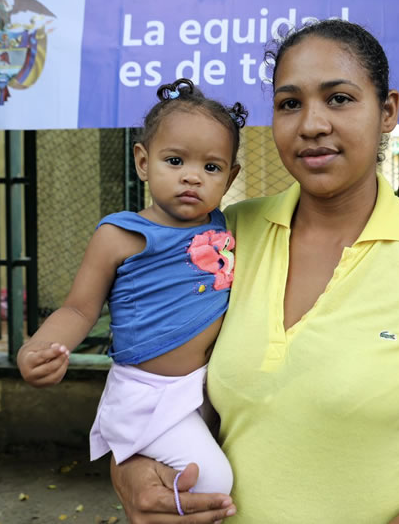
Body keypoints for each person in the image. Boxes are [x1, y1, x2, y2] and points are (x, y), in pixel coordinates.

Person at [110, 20, 399, 523]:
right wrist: (129, 469)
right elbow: (149, 385)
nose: (311, 124)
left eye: (339, 99)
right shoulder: (220, 239)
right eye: (289, 104)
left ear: (387, 110)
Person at [17, 78, 246, 496]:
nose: (192, 177)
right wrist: (37, 348)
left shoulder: (227, 226)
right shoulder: (120, 234)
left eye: (211, 168)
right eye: (175, 161)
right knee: (213, 481)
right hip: (148, 397)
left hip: (205, 392)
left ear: (229, 179)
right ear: (143, 161)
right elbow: (78, 310)